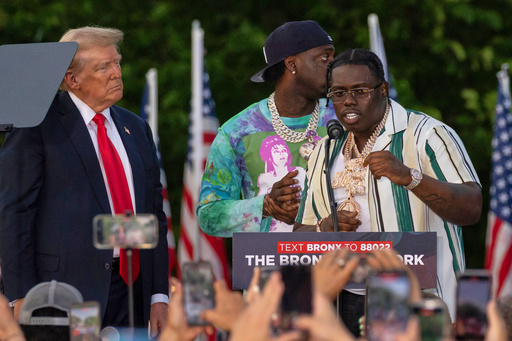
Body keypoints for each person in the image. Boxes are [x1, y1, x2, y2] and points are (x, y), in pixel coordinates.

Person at [295, 48, 482, 335]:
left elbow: (471, 208)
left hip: (419, 299)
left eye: (360, 90)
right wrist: (324, 227)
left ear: (383, 90)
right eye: (339, 93)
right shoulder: (325, 149)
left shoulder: (426, 135)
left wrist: (410, 178)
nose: (349, 101)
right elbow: (299, 232)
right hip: (342, 303)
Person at [0, 26, 169, 336]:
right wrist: (20, 294)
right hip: (66, 294)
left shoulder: (136, 127)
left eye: (117, 62)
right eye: (103, 66)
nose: (116, 73)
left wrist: (159, 295)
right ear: (72, 78)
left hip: (131, 291)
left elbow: (154, 216)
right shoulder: (36, 126)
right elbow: (15, 214)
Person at [197, 20, 336, 236]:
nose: (333, 65)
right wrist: (265, 206)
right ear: (292, 64)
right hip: (268, 265)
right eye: (324, 57)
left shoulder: (343, 121)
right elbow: (208, 215)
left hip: (338, 262)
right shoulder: (237, 132)